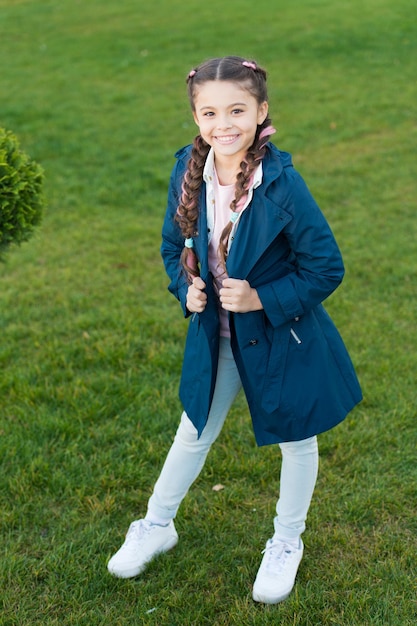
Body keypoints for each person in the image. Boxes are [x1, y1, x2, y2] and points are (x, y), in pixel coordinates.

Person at [107, 55, 362, 604]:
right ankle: (157, 524)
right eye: (209, 112)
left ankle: (287, 540)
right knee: (192, 431)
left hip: (279, 338)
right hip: (214, 336)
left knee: (297, 440)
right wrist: (187, 286)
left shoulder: (283, 186)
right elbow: (174, 248)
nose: (223, 124)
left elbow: (325, 267)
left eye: (237, 110)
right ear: (196, 117)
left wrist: (260, 297)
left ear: (261, 111)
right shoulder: (189, 170)